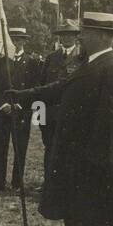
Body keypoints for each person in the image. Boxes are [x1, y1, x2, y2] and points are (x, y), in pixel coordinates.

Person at [3, 11, 113, 226]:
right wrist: (24, 96)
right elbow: (59, 88)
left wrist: (100, 159)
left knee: (92, 214)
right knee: (75, 209)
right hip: (76, 155)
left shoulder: (112, 68)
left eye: (85, 32)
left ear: (100, 36)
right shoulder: (90, 64)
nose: (80, 36)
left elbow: (111, 122)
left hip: (94, 158)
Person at [0, 26, 41, 191]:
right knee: (0, 146)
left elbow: (35, 87)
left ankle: (17, 182)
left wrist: (22, 104)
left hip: (21, 111)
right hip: (3, 111)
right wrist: (3, 104)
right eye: (13, 39)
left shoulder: (32, 63)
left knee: (20, 147)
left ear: (25, 41)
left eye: (20, 39)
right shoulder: (0, 62)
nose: (17, 43)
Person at [40, 19, 82, 149]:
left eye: (70, 34)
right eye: (64, 34)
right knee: (50, 151)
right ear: (60, 37)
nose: (67, 38)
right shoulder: (51, 58)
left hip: (72, 115)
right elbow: (42, 86)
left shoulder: (82, 58)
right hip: (51, 114)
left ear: (76, 37)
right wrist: (41, 116)